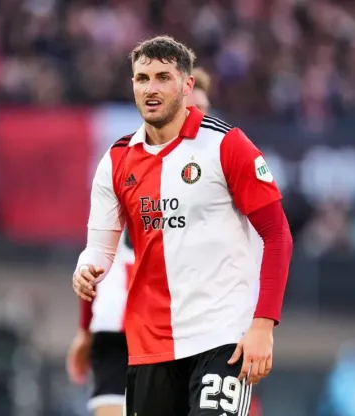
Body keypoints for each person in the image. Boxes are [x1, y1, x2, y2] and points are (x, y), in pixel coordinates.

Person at [71, 36, 293, 416]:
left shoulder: (227, 146)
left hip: (223, 337)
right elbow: (100, 249)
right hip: (150, 343)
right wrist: (86, 268)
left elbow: (278, 235)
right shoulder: (116, 161)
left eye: (163, 77)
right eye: (143, 78)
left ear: (187, 86)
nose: (151, 88)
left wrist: (263, 325)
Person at [66, 67, 218, 416]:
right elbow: (100, 253)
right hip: (123, 323)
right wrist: (85, 330)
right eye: (191, 107)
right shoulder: (134, 162)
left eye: (203, 108)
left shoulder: (217, 168)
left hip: (181, 328)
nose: (196, 116)